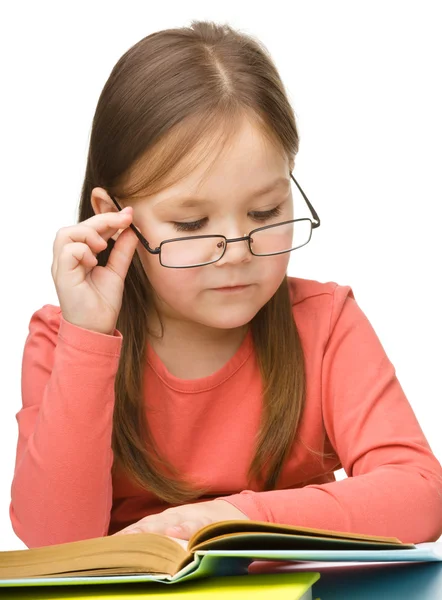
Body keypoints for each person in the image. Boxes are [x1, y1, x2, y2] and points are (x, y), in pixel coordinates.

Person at [9, 20, 442, 550]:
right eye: (191, 225)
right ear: (113, 218)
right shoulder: (64, 340)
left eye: (265, 211)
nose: (237, 250)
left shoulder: (325, 322)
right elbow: (55, 542)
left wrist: (231, 518)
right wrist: (89, 339)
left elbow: (420, 495)